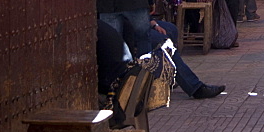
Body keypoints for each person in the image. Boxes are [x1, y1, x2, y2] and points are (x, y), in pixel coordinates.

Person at [96, 19, 225, 101]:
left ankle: (172, 77)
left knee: (170, 29)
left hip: (135, 17)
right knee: (163, 43)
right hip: (125, 24)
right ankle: (194, 87)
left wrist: (153, 23)